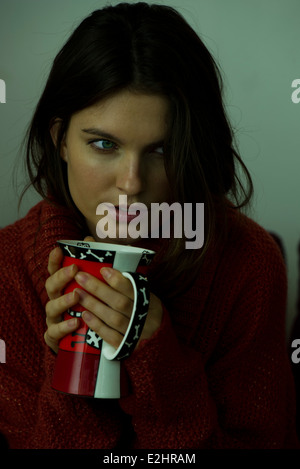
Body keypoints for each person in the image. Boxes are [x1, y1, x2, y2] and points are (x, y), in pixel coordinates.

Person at [0, 2, 298, 449]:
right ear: (59, 139)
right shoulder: (8, 268)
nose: (131, 184)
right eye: (104, 144)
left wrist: (158, 359)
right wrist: (73, 361)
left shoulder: (248, 263)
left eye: (162, 150)